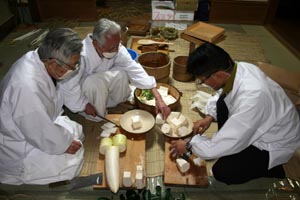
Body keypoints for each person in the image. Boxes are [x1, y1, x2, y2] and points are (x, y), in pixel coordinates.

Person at [170, 43, 300, 184]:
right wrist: (209, 117)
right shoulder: (238, 68)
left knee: (223, 171)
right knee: (220, 104)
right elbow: (222, 93)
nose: (205, 84)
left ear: (218, 74)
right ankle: (233, 145)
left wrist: (189, 145)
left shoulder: (253, 98)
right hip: (260, 122)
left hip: (273, 142)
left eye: (203, 81)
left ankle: (275, 168)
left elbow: (225, 143)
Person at [0, 28, 90, 185]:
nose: (74, 69)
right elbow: (38, 131)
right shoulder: (26, 87)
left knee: (77, 130)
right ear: (54, 63)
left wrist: (65, 140)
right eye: (72, 66)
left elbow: (41, 122)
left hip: (35, 127)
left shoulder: (36, 59)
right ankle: (22, 173)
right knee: (73, 162)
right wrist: (64, 145)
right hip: (20, 148)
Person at [61, 18, 171, 121]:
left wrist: (158, 97)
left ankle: (114, 103)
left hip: (101, 87)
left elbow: (132, 67)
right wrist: (83, 105)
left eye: (117, 45)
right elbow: (68, 87)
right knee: (93, 82)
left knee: (122, 73)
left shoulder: (115, 47)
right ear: (96, 44)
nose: (116, 49)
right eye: (112, 47)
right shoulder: (79, 56)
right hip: (86, 94)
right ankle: (97, 114)